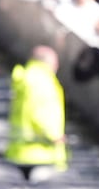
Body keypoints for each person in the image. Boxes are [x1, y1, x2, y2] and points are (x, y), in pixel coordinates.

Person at [5, 45, 68, 178]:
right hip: (40, 152)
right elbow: (40, 111)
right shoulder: (42, 80)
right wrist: (53, 135)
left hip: (20, 150)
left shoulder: (26, 77)